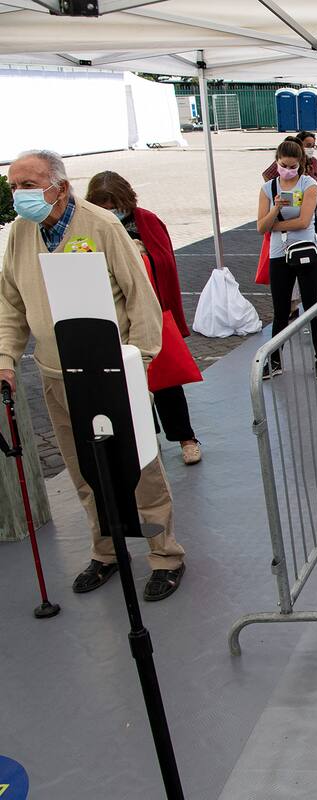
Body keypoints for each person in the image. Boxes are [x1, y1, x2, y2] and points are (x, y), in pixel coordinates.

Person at [0, 150, 186, 601]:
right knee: (82, 468)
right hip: (56, 374)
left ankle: (165, 554)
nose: (19, 195)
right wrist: (6, 358)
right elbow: (9, 303)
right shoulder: (20, 234)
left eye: (29, 185)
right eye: (13, 187)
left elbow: (141, 299)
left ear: (60, 187)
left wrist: (138, 364)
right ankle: (105, 550)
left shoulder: (101, 225)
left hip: (111, 372)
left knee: (138, 466)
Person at [85, 171, 202, 466]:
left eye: (115, 205)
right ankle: (146, 442)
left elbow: (165, 264)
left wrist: (140, 257)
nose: (111, 212)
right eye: (104, 207)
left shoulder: (146, 221)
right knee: (129, 387)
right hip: (113, 320)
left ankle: (187, 438)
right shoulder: (91, 228)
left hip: (150, 314)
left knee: (166, 381)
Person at [257, 138, 317, 379]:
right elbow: (261, 226)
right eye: (284, 165)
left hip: (306, 250)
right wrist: (274, 209)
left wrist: (277, 225)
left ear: (301, 164)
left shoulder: (309, 184)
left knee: (312, 304)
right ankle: (274, 360)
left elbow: (305, 221)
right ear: (277, 163)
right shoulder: (268, 189)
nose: (288, 170)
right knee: (280, 309)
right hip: (279, 254)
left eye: (293, 166)